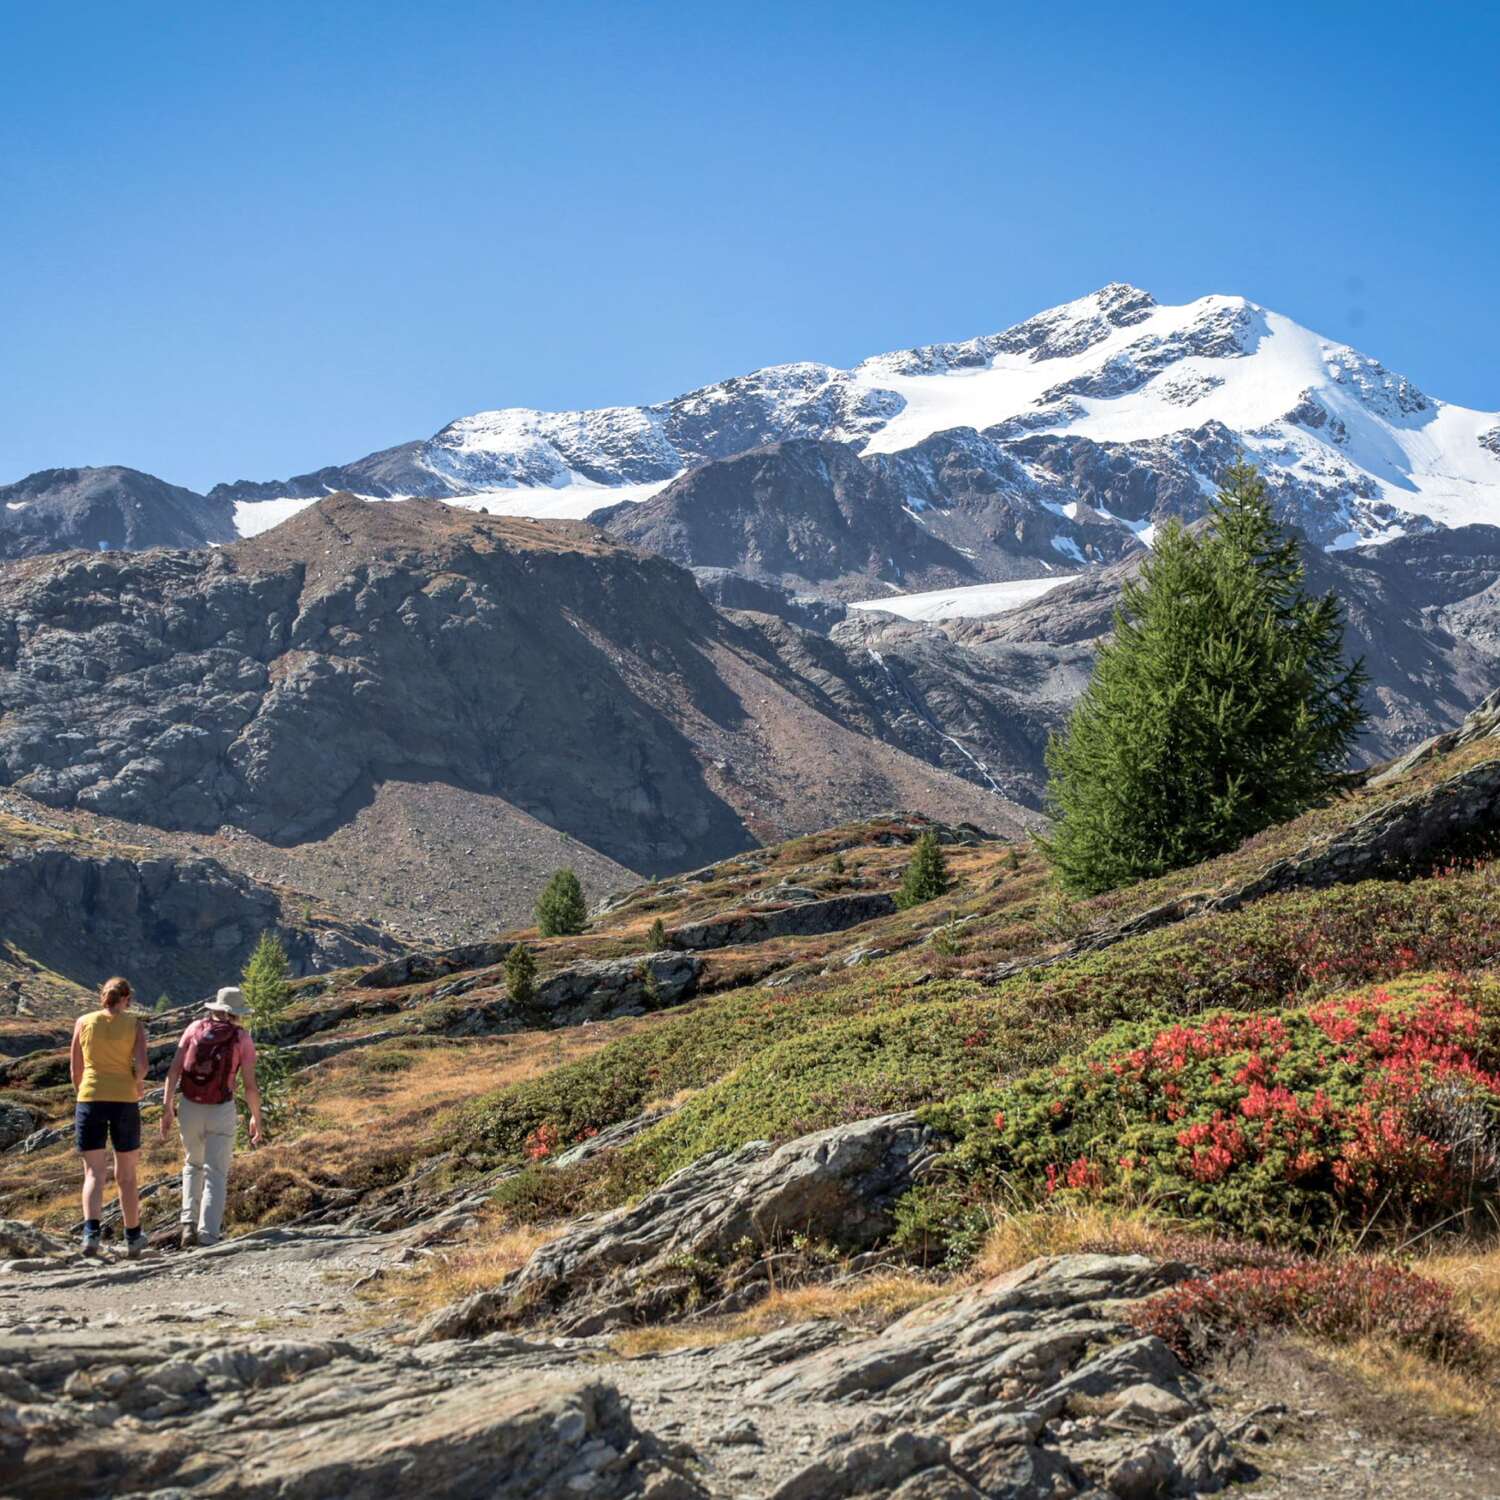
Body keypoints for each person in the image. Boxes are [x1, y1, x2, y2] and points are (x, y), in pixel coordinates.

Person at [160, 986, 265, 1248]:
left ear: (216, 1008)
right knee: (215, 1172)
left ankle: (188, 1225)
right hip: (221, 1108)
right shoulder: (242, 1038)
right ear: (237, 1013)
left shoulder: (194, 1028)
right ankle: (208, 1235)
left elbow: (174, 1071)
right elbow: (250, 1085)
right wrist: (256, 1118)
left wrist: (167, 1107)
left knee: (192, 1164)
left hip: (189, 1107)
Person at [71, 977, 150, 1258]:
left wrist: (86, 1093)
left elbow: (75, 1071)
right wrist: (136, 1083)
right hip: (124, 1100)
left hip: (90, 1098)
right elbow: (142, 1067)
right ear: (127, 998)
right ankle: (133, 1237)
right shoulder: (135, 1025)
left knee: (93, 1171)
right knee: (126, 1174)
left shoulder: (83, 1022)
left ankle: (91, 1234)